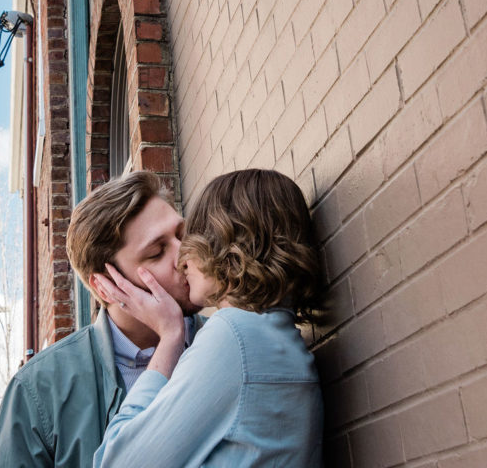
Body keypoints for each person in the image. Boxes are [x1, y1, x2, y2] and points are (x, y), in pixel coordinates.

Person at [93, 168, 324, 468]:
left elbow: (116, 463)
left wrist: (170, 336)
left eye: (191, 237)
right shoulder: (275, 337)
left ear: (236, 247)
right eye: (157, 251)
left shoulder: (233, 336)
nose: (183, 258)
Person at [0, 171, 205, 468]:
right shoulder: (38, 390)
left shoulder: (229, 343)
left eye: (181, 234)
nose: (185, 256)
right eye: (157, 252)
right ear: (107, 286)